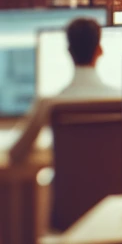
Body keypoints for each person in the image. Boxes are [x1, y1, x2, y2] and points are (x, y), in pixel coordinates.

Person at [9, 17, 114, 163]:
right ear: (99, 51)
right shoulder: (121, 99)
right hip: (113, 185)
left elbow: (16, 154)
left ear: (69, 52)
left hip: (68, 185)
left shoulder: (48, 104)